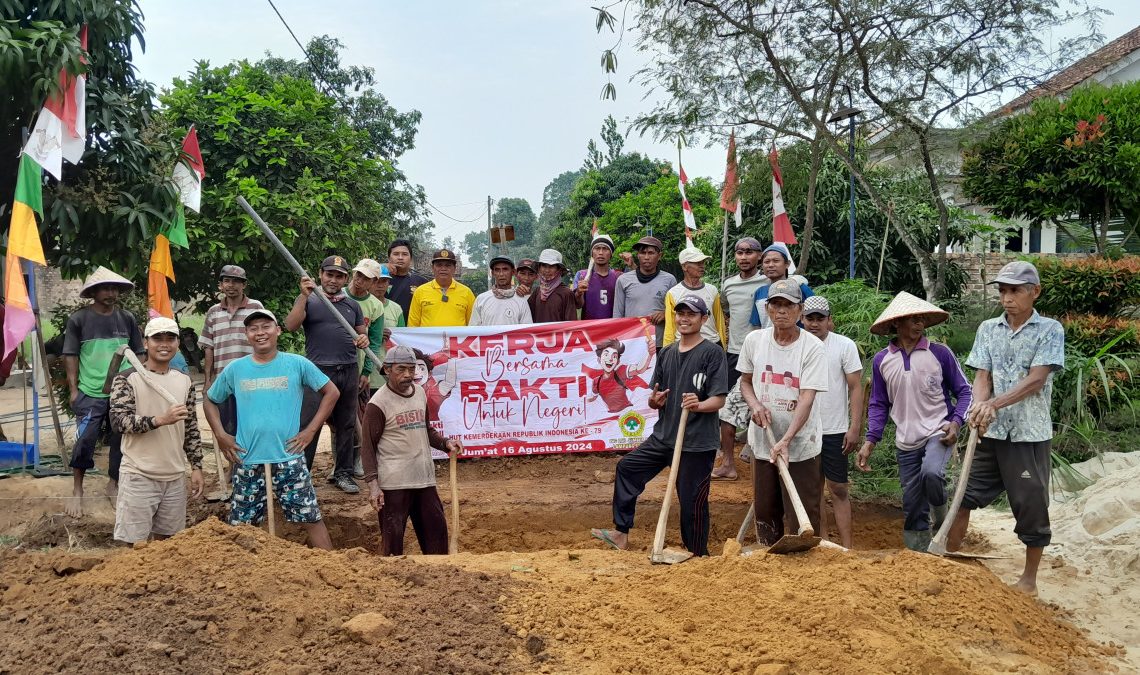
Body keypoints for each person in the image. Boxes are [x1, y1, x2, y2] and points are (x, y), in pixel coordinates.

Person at [949, 261, 1064, 595]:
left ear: (1035, 292)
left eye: (1015, 290)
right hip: (991, 433)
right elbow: (982, 377)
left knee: (1030, 503)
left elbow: (1036, 381)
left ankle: (1029, 579)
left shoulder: (1049, 329)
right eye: (1002, 291)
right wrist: (979, 407)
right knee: (963, 495)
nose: (1007, 298)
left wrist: (993, 405)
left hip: (1028, 434)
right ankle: (948, 556)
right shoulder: (988, 329)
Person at [590, 296, 728, 556]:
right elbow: (656, 398)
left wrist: (699, 404)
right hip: (664, 436)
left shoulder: (712, 353)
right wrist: (655, 401)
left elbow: (719, 399)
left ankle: (698, 554)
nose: (684, 318)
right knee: (628, 468)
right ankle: (621, 532)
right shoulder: (667, 353)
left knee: (692, 502)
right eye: (680, 313)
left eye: (692, 314)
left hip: (696, 443)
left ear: (704, 319)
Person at [204, 309, 336, 550]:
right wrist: (221, 435)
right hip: (247, 460)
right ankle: (243, 578)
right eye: (253, 329)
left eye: (266, 326)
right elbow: (210, 400)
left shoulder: (297, 364)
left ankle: (337, 573)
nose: (260, 333)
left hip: (289, 458)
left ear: (277, 330)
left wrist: (311, 430)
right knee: (241, 527)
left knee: (310, 517)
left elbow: (332, 392)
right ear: (246, 335)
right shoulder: (236, 369)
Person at [856, 291, 971, 552]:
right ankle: (917, 554)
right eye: (912, 319)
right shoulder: (882, 360)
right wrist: (871, 440)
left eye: (922, 319)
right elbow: (878, 403)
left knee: (932, 473)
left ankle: (943, 522)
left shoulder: (939, 354)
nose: (919, 324)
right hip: (905, 438)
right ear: (897, 323)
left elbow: (965, 391)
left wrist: (955, 422)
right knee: (911, 499)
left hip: (938, 430)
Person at [739, 279, 828, 544]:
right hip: (764, 441)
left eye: (788, 305)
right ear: (767, 309)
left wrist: (787, 439)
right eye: (775, 304)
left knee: (803, 513)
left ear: (799, 311)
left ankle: (807, 570)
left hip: (800, 444)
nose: (781, 311)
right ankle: (769, 566)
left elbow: (807, 398)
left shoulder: (812, 347)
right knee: (766, 509)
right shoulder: (755, 341)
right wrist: (755, 405)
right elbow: (745, 382)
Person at [108, 317, 203, 543]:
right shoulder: (127, 379)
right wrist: (160, 420)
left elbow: (190, 426)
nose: (164, 344)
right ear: (146, 342)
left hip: (174, 476)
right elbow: (119, 422)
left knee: (168, 545)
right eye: (157, 338)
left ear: (177, 343)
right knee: (133, 543)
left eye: (170, 338)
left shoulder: (184, 381)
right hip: (139, 474)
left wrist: (197, 466)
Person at [362, 345, 464, 556]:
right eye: (401, 369)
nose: (408, 374)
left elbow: (425, 429)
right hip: (394, 485)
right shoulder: (378, 404)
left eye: (412, 369)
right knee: (393, 548)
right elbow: (368, 447)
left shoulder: (419, 393)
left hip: (424, 479)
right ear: (387, 370)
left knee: (437, 541)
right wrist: (373, 486)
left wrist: (445, 443)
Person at [284, 255, 369, 494]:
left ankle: (343, 473)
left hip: (348, 369)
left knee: (346, 424)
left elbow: (362, 335)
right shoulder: (310, 300)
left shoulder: (352, 305)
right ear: (320, 274)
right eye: (329, 274)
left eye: (339, 276)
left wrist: (363, 338)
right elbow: (290, 325)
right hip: (318, 371)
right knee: (311, 422)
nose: (333, 280)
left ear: (345, 279)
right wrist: (303, 295)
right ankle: (302, 475)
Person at [63, 267, 144, 518]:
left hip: (121, 391)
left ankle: (114, 482)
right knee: (85, 439)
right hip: (90, 391)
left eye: (115, 289)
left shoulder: (127, 318)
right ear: (94, 292)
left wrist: (135, 379)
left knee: (121, 438)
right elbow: (71, 355)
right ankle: (78, 488)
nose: (111, 293)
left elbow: (139, 352)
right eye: (106, 288)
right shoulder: (79, 320)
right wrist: (74, 389)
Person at [801, 297, 863, 548]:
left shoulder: (844, 346)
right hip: (805, 429)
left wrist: (855, 426)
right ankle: (824, 543)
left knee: (838, 487)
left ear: (829, 321)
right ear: (802, 319)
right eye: (810, 318)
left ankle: (847, 547)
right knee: (813, 490)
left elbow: (856, 388)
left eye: (819, 319)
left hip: (835, 428)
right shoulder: (797, 344)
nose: (814, 324)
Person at [713, 237, 766, 480]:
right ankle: (728, 463)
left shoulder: (767, 283)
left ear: (760, 256)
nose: (744, 257)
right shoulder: (729, 285)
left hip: (763, 355)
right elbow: (726, 312)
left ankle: (759, 457)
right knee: (727, 406)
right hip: (735, 353)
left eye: (749, 252)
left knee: (764, 402)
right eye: (739, 252)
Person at [199, 265, 264, 440]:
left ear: (244, 285)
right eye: (227, 281)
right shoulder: (213, 311)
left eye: (236, 281)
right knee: (228, 426)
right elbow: (208, 347)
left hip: (251, 378)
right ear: (220, 285)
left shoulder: (256, 307)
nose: (231, 285)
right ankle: (233, 466)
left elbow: (264, 339)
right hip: (223, 379)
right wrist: (208, 380)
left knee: (251, 424)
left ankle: (252, 464)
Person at [614, 236, 677, 347]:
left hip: (660, 342)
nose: (646, 257)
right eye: (643, 253)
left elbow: (677, 311)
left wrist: (665, 314)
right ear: (638, 255)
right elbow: (617, 315)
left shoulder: (669, 280)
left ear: (660, 256)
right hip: (632, 343)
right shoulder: (623, 280)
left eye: (651, 253)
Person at [663, 246, 726, 347]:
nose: (702, 266)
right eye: (697, 263)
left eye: (703, 262)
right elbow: (670, 327)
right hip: (684, 346)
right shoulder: (673, 293)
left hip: (712, 344)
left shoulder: (712, 290)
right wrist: (667, 351)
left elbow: (719, 321)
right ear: (684, 266)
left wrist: (723, 347)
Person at [582, 335, 654, 413]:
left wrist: (649, 354)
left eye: (614, 356)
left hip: (627, 413)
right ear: (599, 360)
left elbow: (639, 369)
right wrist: (581, 402)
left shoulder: (621, 371)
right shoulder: (596, 381)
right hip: (611, 416)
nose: (610, 359)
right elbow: (593, 397)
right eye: (606, 355)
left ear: (617, 361)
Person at [750, 243, 813, 329]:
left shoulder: (801, 288)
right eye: (766, 262)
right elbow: (757, 325)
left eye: (776, 261)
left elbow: (816, 318)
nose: (771, 265)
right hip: (767, 341)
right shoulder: (759, 292)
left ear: (787, 264)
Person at [408, 248, 475, 327]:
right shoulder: (420, 291)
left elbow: (472, 324)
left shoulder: (467, 292)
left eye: (448, 265)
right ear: (432, 268)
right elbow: (413, 324)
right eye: (439, 265)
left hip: (456, 339)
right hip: (428, 339)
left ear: (454, 268)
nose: (443, 269)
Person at [347, 259, 385, 397]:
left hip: (357, 366)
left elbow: (374, 342)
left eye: (366, 278)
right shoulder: (338, 295)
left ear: (374, 282)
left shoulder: (376, 306)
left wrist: (366, 372)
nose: (360, 280)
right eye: (358, 274)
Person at [369, 264, 406, 388]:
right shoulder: (359, 305)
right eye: (376, 281)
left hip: (389, 374)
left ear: (388, 283)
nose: (380, 285)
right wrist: (374, 334)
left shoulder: (396, 309)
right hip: (365, 374)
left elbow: (402, 341)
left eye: (384, 281)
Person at [471, 256, 533, 326]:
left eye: (505, 269)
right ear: (492, 273)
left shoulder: (522, 301)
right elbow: (473, 330)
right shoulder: (481, 299)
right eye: (497, 270)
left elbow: (526, 332)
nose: (501, 274)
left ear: (513, 272)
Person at [573, 235, 622, 320]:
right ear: (592, 253)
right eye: (597, 248)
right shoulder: (582, 275)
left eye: (605, 249)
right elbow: (578, 305)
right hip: (590, 329)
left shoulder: (618, 276)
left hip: (614, 329)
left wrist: (632, 265)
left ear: (611, 254)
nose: (600, 252)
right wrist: (579, 293)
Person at [385, 239, 430, 318]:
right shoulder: (378, 279)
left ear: (411, 259)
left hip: (412, 328)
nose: (400, 258)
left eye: (405, 254)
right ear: (389, 258)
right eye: (396, 254)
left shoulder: (422, 282)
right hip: (385, 328)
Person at [529, 249, 577, 322]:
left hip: (558, 333)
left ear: (558, 270)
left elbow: (571, 323)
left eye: (551, 266)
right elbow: (527, 315)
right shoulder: (537, 291)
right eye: (544, 265)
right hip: (538, 333)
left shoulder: (566, 293)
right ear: (539, 268)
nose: (547, 270)